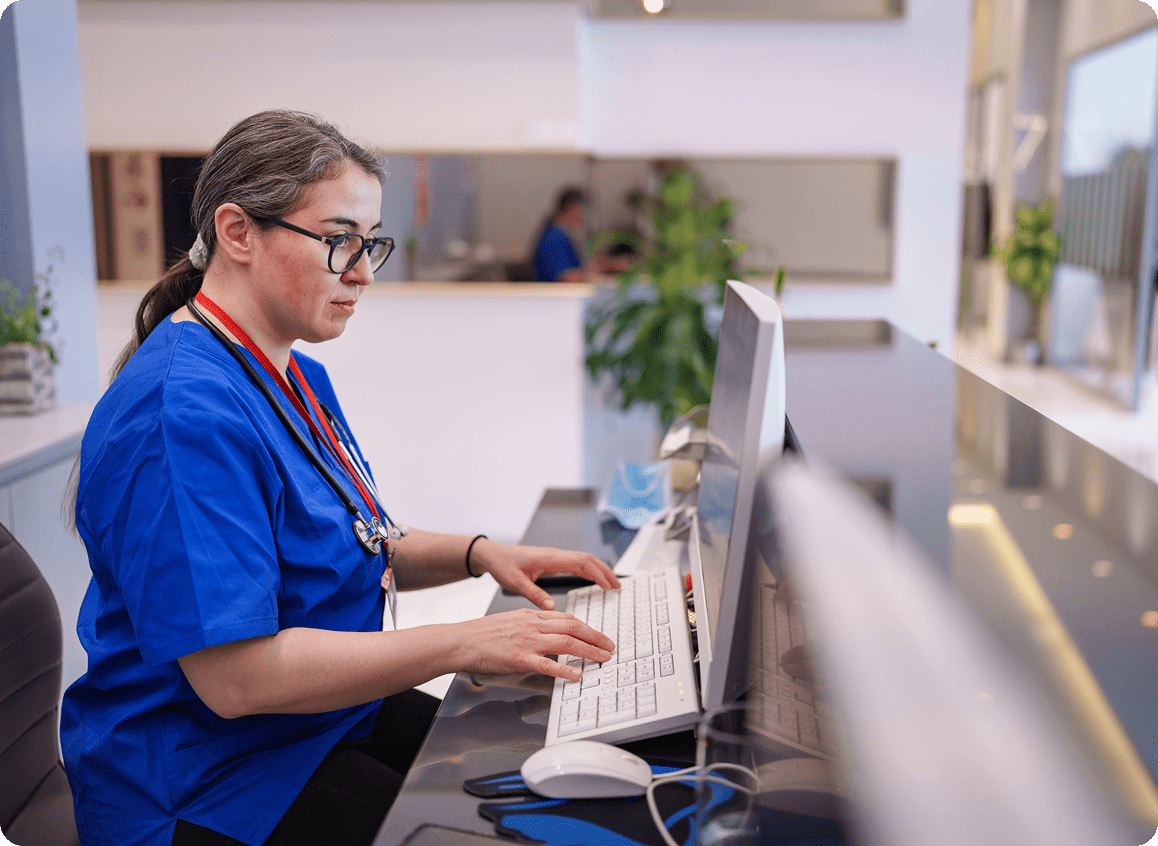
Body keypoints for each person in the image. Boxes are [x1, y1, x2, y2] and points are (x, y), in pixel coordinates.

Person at [60, 110, 620, 846]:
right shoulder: (181, 416)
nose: (362, 272)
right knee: (488, 827)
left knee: (532, 767)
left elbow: (357, 537)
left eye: (370, 244)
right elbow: (238, 680)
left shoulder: (291, 372)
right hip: (207, 776)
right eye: (338, 242)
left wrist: (482, 553)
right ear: (237, 233)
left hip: (314, 722)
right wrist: (463, 642)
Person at [532, 186, 588, 282]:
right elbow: (568, 277)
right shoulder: (554, 238)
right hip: (555, 294)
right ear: (573, 209)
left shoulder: (563, 234)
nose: (584, 215)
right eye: (583, 209)